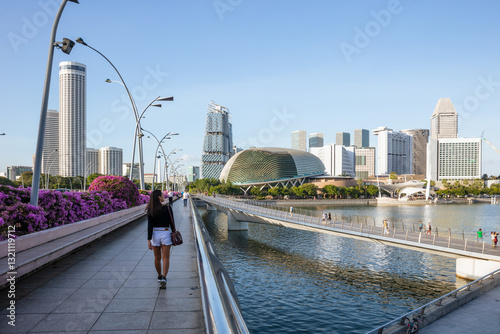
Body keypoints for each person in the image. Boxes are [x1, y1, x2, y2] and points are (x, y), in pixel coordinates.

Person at [147, 189, 176, 287]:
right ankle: (164, 277)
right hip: (165, 233)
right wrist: (174, 232)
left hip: (155, 234)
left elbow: (149, 226)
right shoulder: (167, 208)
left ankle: (159, 276)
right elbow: (172, 223)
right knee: (166, 257)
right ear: (159, 197)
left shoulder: (150, 209)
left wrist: (148, 239)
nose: (164, 196)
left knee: (157, 257)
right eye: (162, 195)